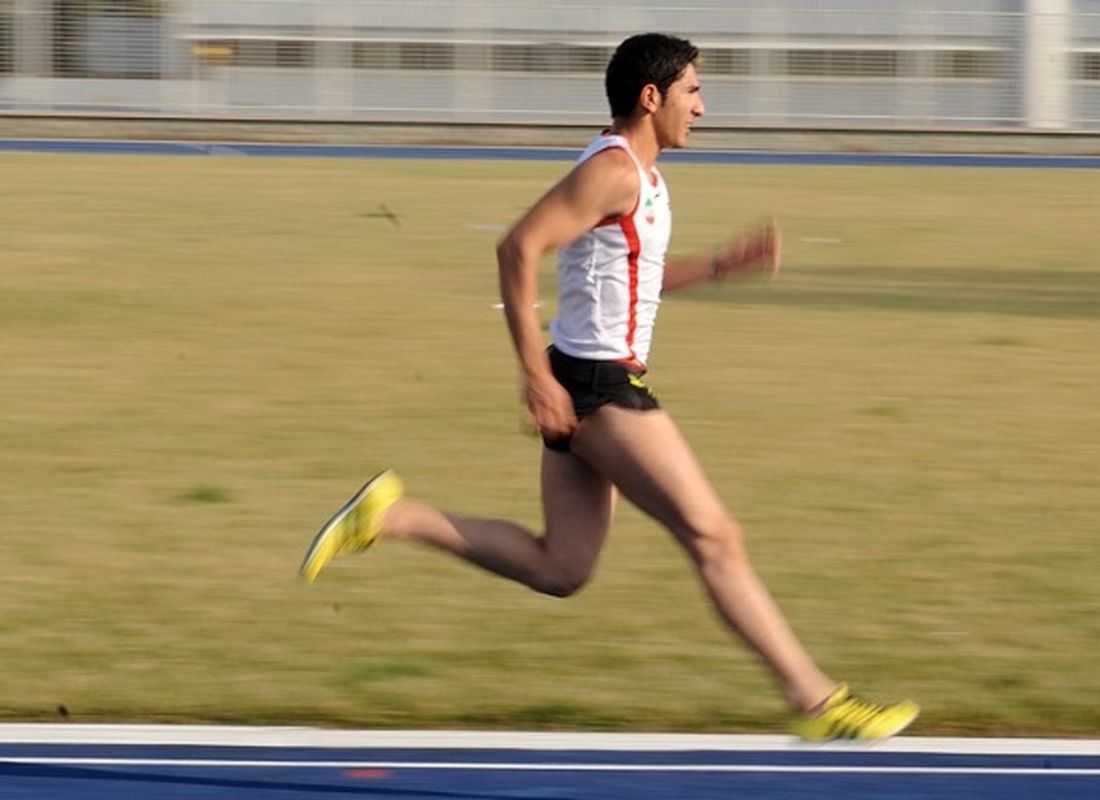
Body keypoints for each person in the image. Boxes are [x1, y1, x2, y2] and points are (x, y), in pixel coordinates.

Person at [301, 33, 918, 741]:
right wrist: (534, 376)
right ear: (650, 98)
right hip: (597, 388)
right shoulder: (616, 172)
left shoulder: (643, 178)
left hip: (582, 376)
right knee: (715, 535)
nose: (703, 107)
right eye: (692, 91)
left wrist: (722, 265)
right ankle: (819, 703)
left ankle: (391, 516)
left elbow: (633, 281)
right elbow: (517, 247)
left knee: (562, 567)